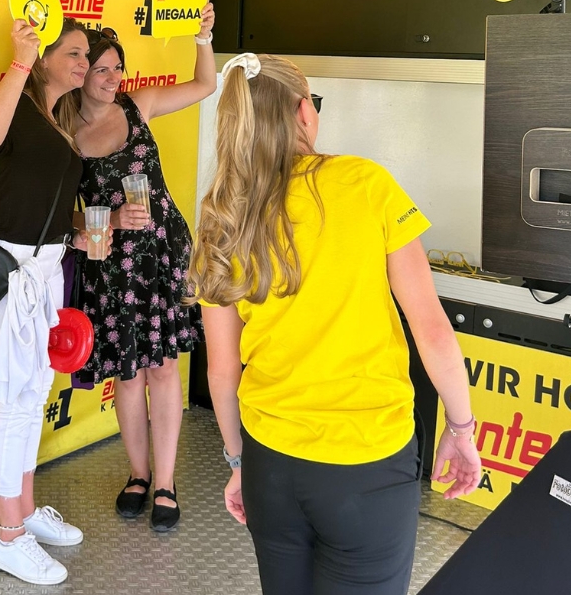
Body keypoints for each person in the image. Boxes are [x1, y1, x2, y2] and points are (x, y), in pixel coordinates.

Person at [188, 53, 481, 595]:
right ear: (304, 112)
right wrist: (461, 430)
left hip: (270, 464)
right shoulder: (366, 185)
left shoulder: (222, 217)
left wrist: (238, 462)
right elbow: (433, 330)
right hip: (367, 463)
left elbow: (222, 371)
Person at [57, 3, 216, 531]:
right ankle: (138, 475)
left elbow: (204, 85)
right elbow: (60, 215)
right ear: (79, 74)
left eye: (117, 68)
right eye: (100, 69)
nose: (112, 78)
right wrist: (109, 218)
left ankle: (166, 482)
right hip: (112, 267)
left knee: (164, 367)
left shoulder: (137, 105)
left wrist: (202, 39)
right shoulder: (64, 131)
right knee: (128, 374)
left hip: (162, 254)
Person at [0, 16, 95, 586]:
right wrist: (19, 59)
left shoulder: (54, 118)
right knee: (16, 395)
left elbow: (43, 200)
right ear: (44, 58)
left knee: (34, 390)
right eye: (73, 53)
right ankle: (8, 536)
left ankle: (25, 507)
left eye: (87, 55)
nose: (84, 63)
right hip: (8, 269)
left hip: (44, 267)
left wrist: (82, 232)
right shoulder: (19, 100)